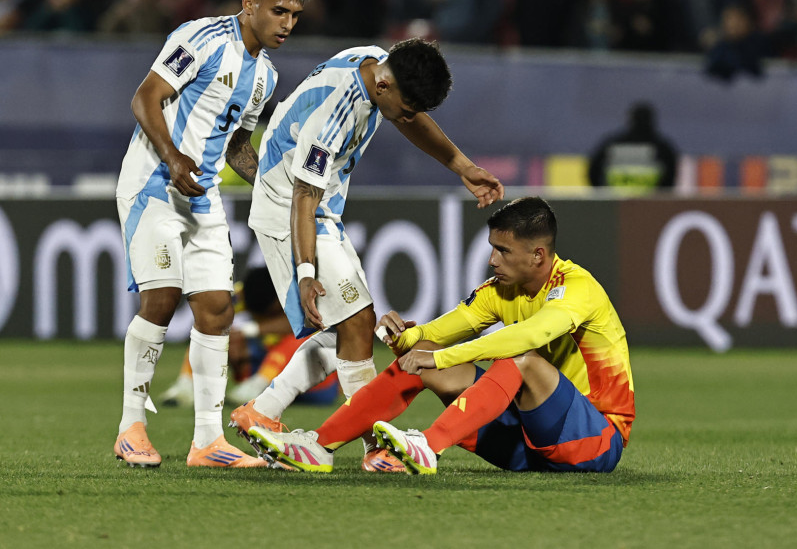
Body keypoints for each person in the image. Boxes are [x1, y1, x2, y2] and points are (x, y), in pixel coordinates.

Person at [228, 38, 504, 470]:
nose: (410, 116)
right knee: (358, 320)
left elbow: (407, 119)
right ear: (385, 86)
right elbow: (303, 195)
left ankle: (263, 410)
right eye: (408, 106)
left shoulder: (377, 67)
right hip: (292, 212)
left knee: (345, 332)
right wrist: (304, 272)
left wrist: (461, 166)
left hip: (317, 210)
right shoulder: (336, 115)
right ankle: (370, 446)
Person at [246, 197, 635, 475]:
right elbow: (438, 333)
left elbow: (528, 337)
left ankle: (428, 447)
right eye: (491, 248)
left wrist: (443, 357)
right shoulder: (498, 291)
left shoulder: (577, 288)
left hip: (593, 440)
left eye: (503, 250)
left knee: (521, 359)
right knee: (424, 355)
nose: (492, 260)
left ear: (537, 254)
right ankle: (319, 445)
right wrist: (404, 338)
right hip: (523, 443)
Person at [112, 0, 312, 469]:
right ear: (250, 3)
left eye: (294, 16)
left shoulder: (264, 77)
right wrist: (173, 157)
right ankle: (131, 426)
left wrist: (277, 185)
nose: (287, 24)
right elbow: (145, 98)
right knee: (161, 295)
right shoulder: (201, 38)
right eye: (279, 11)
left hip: (201, 196)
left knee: (218, 307)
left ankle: (206, 442)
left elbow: (237, 146)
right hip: (153, 182)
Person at [157, 266, 339, 408]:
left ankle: (256, 386)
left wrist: (248, 330)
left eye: (268, 314)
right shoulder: (239, 295)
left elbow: (306, 325)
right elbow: (208, 320)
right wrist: (230, 338)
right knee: (211, 333)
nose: (261, 317)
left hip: (315, 384)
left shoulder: (298, 295)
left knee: (303, 339)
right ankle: (185, 384)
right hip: (265, 365)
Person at [588, 102, 677, 190]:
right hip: (649, 202)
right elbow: (670, 179)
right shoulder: (662, 147)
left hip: (617, 200)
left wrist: (604, 195)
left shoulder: (612, 144)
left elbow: (594, 172)